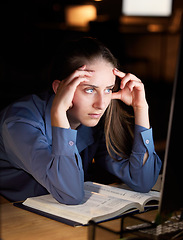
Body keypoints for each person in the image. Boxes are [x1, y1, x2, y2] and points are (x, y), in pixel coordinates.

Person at [0, 38, 161, 204]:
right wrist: (59, 112)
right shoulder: (19, 123)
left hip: (60, 212)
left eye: (108, 90)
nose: (101, 104)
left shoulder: (91, 119)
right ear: (59, 88)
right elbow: (71, 195)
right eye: (90, 89)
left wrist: (141, 108)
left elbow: (143, 182)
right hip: (14, 214)